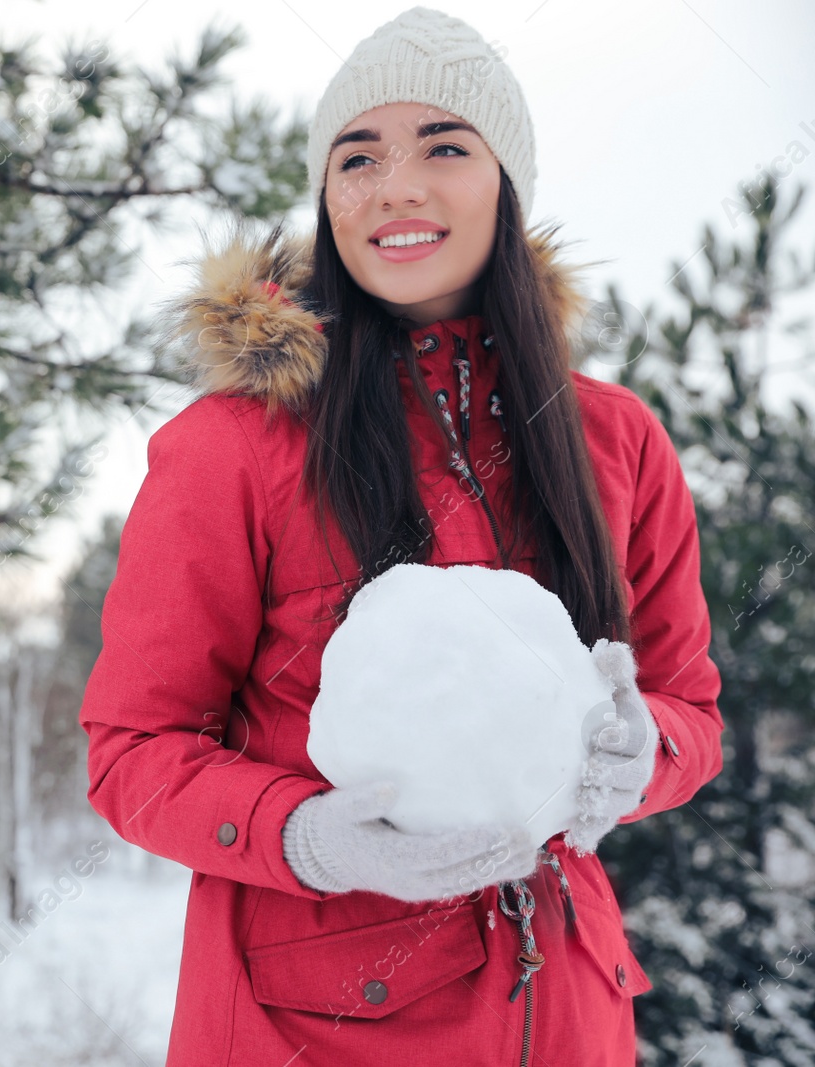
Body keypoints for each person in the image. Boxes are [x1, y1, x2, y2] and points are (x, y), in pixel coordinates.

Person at [77, 7, 724, 1065]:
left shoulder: (611, 438)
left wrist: (642, 755)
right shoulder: (234, 449)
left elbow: (689, 707)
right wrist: (304, 835)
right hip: (317, 1027)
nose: (396, 187)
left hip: (569, 1015)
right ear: (327, 193)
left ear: (505, 183)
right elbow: (132, 754)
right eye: (358, 155)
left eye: (444, 146)